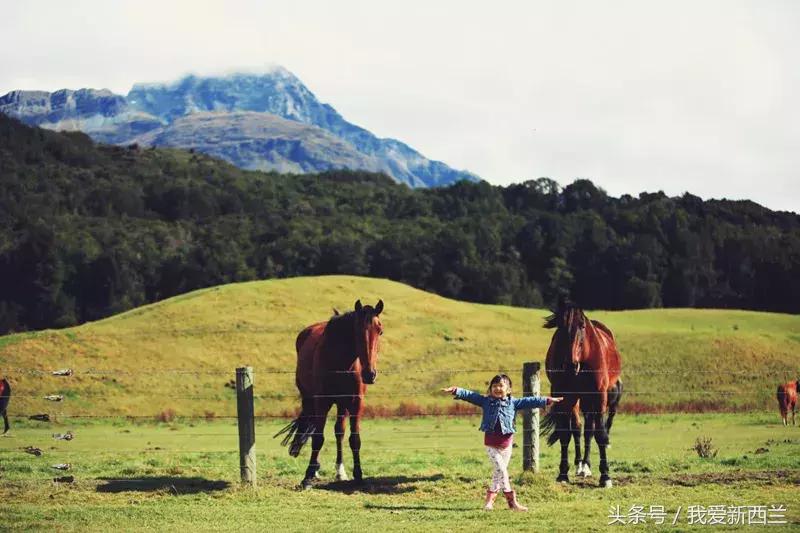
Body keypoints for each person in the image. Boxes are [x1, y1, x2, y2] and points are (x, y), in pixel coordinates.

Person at [442, 374, 562, 511]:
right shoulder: (486, 401)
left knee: (497, 473)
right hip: (491, 444)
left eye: (501, 385)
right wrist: (456, 390)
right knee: (503, 471)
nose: (498, 388)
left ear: (509, 389)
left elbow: (531, 400)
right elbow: (471, 395)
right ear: (490, 389)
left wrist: (547, 400)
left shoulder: (513, 403)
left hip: (506, 445)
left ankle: (489, 503)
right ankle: (512, 503)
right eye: (494, 386)